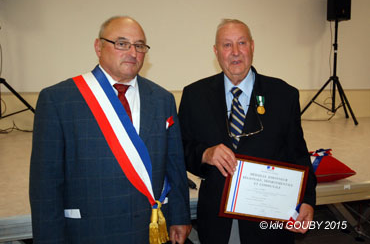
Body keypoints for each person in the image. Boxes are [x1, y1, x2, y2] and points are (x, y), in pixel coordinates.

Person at [29, 16, 191, 244]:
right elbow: (45, 184)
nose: (133, 52)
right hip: (88, 230)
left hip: (148, 228)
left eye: (140, 45)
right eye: (122, 43)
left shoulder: (162, 99)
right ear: (98, 47)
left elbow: (174, 165)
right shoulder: (58, 100)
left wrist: (180, 216)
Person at [178, 19, 317, 244]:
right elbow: (180, 150)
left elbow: (298, 154)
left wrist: (308, 200)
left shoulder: (283, 95)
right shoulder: (195, 95)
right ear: (216, 51)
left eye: (241, 43)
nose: (235, 52)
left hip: (269, 219)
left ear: (252, 46)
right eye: (226, 45)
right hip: (217, 220)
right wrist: (205, 154)